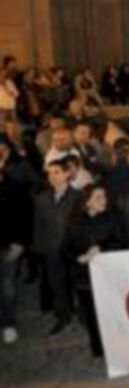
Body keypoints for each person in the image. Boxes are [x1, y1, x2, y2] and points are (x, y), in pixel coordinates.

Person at [62, 184, 125, 357]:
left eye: (104, 197)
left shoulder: (113, 218)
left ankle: (118, 345)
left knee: (113, 311)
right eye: (98, 198)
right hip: (84, 276)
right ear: (87, 202)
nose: (103, 201)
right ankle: (99, 348)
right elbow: (66, 247)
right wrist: (78, 257)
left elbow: (121, 242)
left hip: (108, 275)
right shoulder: (74, 221)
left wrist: (101, 247)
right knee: (91, 313)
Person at [33, 159, 82, 335]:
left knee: (78, 284)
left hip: (74, 250)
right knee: (57, 286)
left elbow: (83, 224)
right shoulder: (41, 199)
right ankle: (64, 317)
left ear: (67, 174)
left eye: (57, 172)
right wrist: (40, 249)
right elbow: (39, 225)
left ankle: (84, 316)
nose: (52, 176)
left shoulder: (78, 197)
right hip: (52, 250)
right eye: (49, 173)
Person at [0, 145, 26, 343]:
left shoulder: (15, 186)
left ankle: (8, 324)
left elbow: (22, 217)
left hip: (8, 245)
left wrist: (19, 243)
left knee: (7, 287)